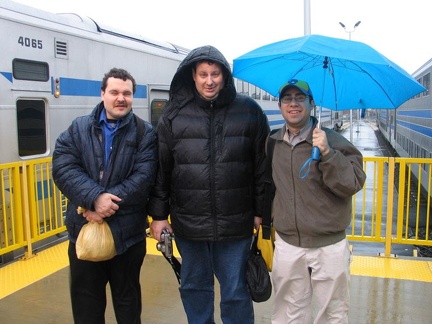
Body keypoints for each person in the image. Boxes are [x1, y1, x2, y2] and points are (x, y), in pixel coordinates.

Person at [147, 45, 270, 323]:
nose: (209, 80)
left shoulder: (249, 111)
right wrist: (157, 216)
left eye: (215, 74)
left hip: (236, 225)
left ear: (225, 77)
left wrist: (261, 210)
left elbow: (262, 166)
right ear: (193, 75)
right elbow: (162, 169)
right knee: (194, 287)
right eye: (203, 74)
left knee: (236, 291)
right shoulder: (174, 115)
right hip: (189, 225)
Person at [52, 68, 157, 324]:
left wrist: (102, 204)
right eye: (114, 92)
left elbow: (144, 178)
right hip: (84, 234)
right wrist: (94, 198)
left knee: (127, 302)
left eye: (127, 93)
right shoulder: (78, 129)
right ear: (103, 94)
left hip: (127, 238)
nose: (121, 98)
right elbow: (62, 166)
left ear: (133, 97)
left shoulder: (145, 133)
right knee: (86, 305)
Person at [269, 79, 366, 323]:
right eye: (288, 99)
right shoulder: (272, 143)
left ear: (312, 104)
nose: (293, 104)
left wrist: (328, 154)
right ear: (280, 105)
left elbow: (352, 183)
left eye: (300, 98)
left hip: (329, 246)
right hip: (288, 244)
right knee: (287, 315)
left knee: (332, 315)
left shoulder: (333, 141)